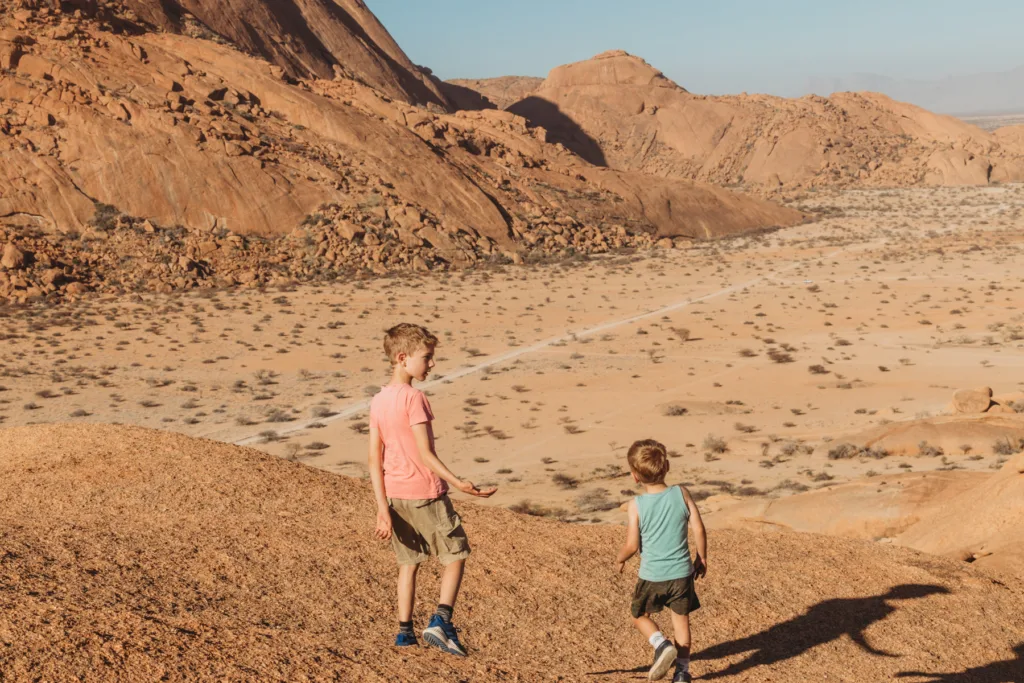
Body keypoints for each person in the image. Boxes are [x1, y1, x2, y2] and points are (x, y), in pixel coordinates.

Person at [367, 323, 497, 657]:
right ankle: (441, 619)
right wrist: (458, 483)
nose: (432, 364)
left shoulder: (379, 401)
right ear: (402, 358)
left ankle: (404, 633)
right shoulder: (414, 398)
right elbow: (426, 453)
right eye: (427, 357)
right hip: (425, 492)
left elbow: (373, 460)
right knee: (456, 555)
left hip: (395, 496)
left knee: (408, 563)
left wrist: (383, 509)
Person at [616, 439, 708, 682]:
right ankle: (682, 673)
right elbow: (698, 528)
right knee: (682, 625)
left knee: (639, 615)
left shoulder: (636, 505)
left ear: (634, 476)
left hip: (653, 575)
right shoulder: (681, 493)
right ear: (667, 466)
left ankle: (660, 644)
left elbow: (632, 546)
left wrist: (620, 558)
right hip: (681, 574)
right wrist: (702, 557)